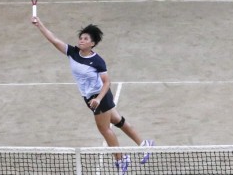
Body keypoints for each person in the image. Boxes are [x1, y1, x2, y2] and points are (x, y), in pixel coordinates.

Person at [32, 16, 154, 174]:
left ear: (92, 43)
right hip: (89, 97)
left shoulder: (97, 61)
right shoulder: (73, 52)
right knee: (118, 120)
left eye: (85, 38)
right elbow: (54, 40)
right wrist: (39, 24)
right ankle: (144, 144)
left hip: (100, 96)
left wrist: (98, 99)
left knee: (104, 129)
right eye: (81, 37)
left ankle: (121, 158)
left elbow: (107, 82)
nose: (81, 40)